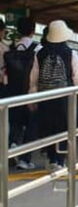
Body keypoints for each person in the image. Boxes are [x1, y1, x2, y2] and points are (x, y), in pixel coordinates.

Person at [28, 20, 78, 169]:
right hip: (65, 97)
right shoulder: (71, 53)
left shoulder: (39, 53)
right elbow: (77, 77)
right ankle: (60, 160)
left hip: (45, 96)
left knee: (49, 128)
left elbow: (34, 77)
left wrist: (32, 96)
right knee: (65, 128)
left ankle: (52, 158)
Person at [5, 17, 40, 170]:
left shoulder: (10, 49)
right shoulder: (37, 48)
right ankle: (24, 159)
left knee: (15, 124)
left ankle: (11, 150)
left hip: (12, 93)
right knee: (31, 125)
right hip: (30, 92)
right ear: (33, 31)